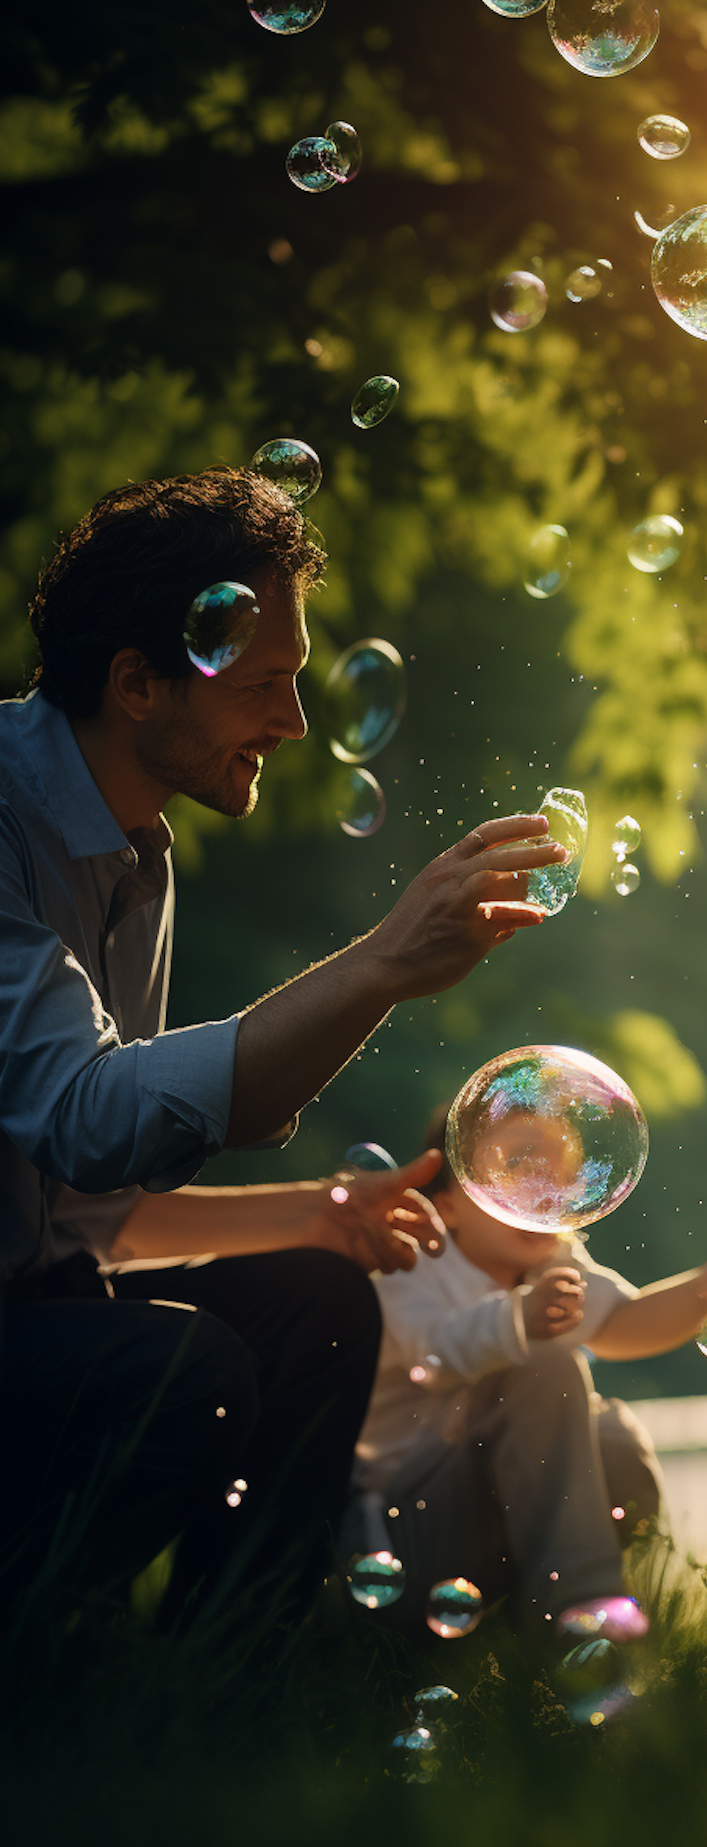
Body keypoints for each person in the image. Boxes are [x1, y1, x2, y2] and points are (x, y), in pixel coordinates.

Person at [0, 468, 568, 1629]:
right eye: (265, 685)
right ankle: (45, 1649)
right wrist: (381, 966)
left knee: (318, 1297)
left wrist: (317, 1210)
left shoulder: (133, 849)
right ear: (139, 683)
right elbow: (87, 1115)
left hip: (33, 1306)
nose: (296, 723)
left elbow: (90, 1207)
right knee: (184, 1370)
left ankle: (225, 1687)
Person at [347, 1101, 707, 1633]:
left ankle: (538, 1622)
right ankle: (588, 1609)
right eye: (519, 1166)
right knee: (546, 1365)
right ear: (448, 1207)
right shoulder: (410, 1263)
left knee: (612, 1438)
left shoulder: (554, 1262)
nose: (544, 1189)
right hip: (406, 1530)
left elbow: (624, 1321)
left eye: (560, 1173)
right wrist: (519, 1320)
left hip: (484, 1527)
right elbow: (436, 1354)